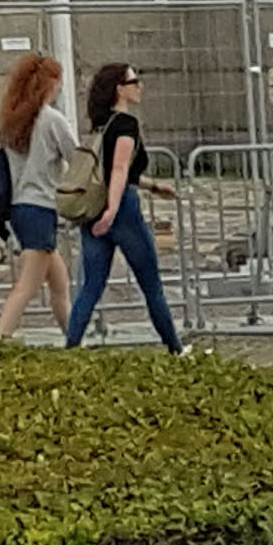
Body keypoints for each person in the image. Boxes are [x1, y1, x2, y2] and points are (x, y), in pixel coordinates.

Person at [59, 58, 183, 351]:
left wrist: (152, 185)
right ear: (119, 89)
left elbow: (115, 171)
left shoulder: (101, 125)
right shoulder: (127, 125)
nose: (139, 86)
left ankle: (71, 345)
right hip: (121, 209)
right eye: (132, 82)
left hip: (94, 206)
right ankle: (174, 347)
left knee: (90, 286)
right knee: (151, 284)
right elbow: (119, 169)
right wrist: (113, 210)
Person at [0, 51, 75, 341]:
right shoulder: (51, 120)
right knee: (26, 286)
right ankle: (0, 335)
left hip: (19, 206)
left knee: (60, 285)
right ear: (50, 85)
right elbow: (77, 157)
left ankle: (74, 337)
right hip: (41, 206)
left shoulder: (11, 122)